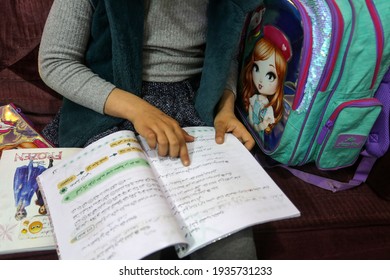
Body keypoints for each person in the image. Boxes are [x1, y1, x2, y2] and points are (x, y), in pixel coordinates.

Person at [38, 0, 260, 259]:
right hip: (112, 105)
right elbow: (55, 62)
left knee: (233, 247)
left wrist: (225, 104)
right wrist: (137, 109)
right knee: (138, 240)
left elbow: (227, 54)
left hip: (196, 108)